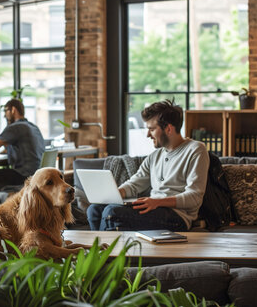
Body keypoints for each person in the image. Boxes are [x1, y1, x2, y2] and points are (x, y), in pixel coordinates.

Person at [87, 99, 209, 232]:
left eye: (151, 129)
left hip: (177, 216)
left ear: (168, 129)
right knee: (94, 209)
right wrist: (114, 194)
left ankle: (103, 251)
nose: (147, 135)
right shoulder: (155, 156)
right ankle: (103, 250)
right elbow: (134, 184)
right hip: (154, 209)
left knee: (112, 212)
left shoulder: (196, 150)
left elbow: (194, 197)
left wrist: (157, 202)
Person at [0, 99, 45, 211]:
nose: (5, 115)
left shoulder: (14, 127)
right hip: (37, 174)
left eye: (6, 111)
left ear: (13, 110)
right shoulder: (33, 127)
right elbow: (12, 148)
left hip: (23, 175)